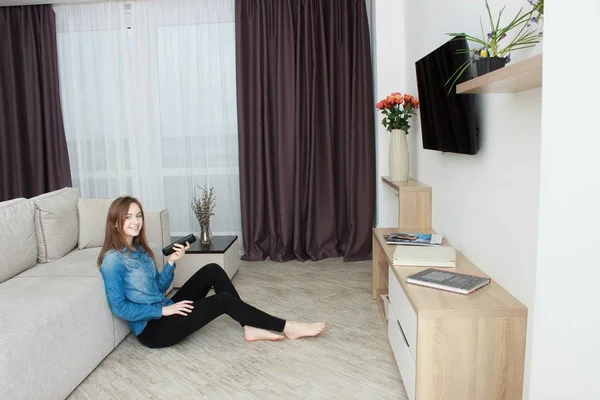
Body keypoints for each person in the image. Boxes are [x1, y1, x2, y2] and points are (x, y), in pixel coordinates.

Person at [98, 196, 325, 348]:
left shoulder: (142, 250)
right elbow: (119, 307)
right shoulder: (112, 261)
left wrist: (170, 263)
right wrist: (163, 312)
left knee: (212, 270)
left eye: (138, 216)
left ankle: (248, 326)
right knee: (223, 301)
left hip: (164, 309)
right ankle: (288, 327)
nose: (135, 221)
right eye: (128, 217)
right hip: (153, 330)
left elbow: (156, 288)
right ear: (115, 223)